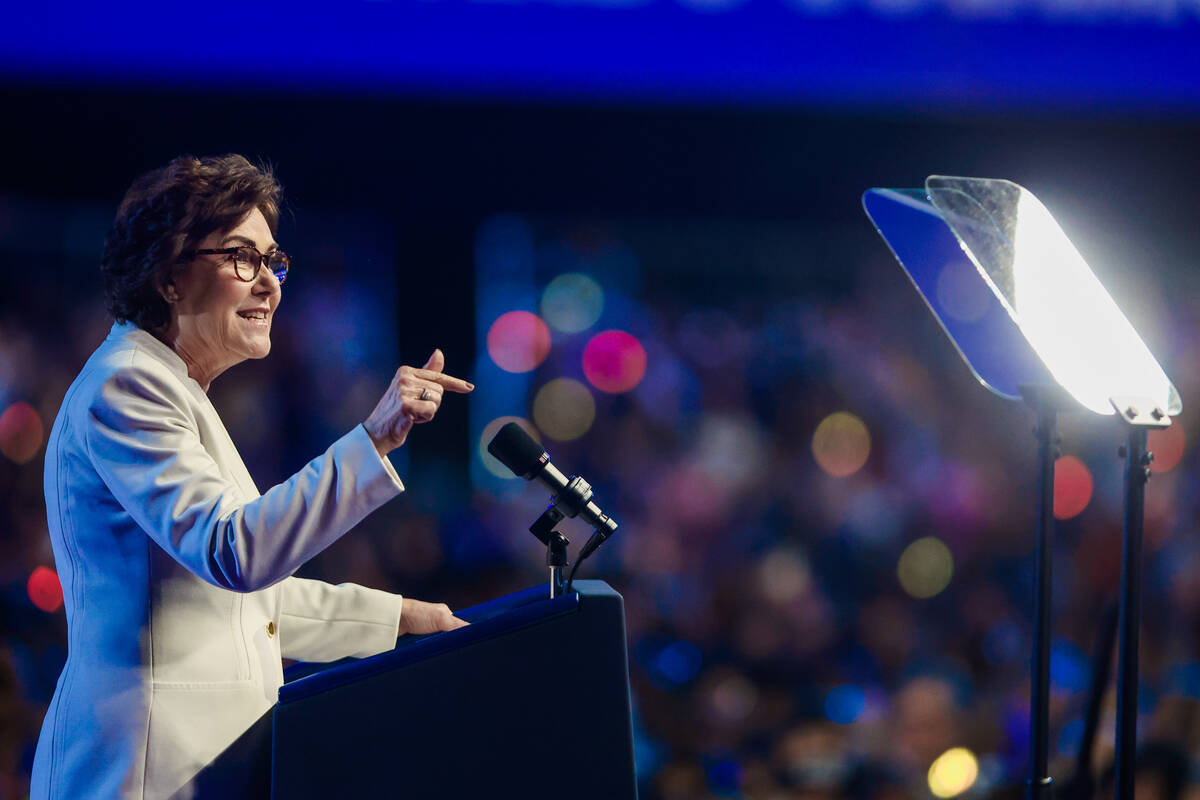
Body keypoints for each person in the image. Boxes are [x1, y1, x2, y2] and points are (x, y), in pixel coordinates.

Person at [29, 154, 474, 799]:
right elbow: (235, 554)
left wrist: (404, 617)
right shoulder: (128, 384)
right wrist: (373, 438)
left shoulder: (176, 388)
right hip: (147, 772)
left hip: (205, 770)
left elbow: (243, 607)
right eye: (244, 258)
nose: (269, 284)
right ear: (169, 274)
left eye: (274, 261)